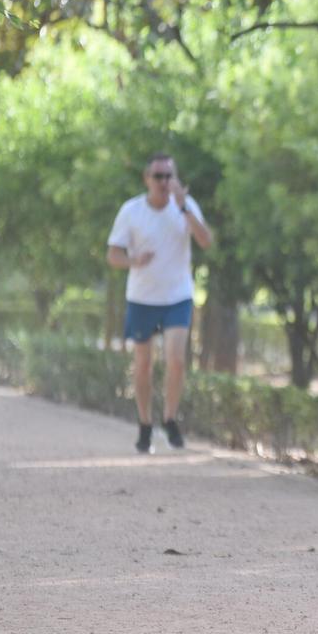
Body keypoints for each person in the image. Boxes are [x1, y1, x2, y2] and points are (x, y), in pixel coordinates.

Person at [106, 153, 213, 453]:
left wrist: (184, 209)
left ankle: (169, 418)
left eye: (169, 176)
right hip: (142, 297)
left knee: (176, 360)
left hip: (177, 295)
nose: (164, 182)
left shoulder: (186, 207)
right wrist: (133, 260)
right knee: (143, 364)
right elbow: (112, 255)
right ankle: (144, 424)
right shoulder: (131, 211)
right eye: (158, 177)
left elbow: (206, 241)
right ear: (147, 179)